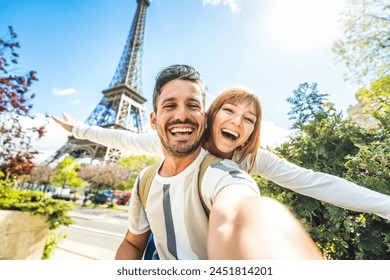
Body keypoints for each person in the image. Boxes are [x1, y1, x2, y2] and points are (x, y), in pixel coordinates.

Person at [55, 64, 323, 260]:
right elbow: (132, 243)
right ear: (152, 120)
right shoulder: (145, 181)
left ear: (205, 118)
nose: (181, 115)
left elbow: (240, 208)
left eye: (192, 105)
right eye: (170, 105)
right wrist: (79, 130)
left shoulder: (223, 173)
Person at [53, 88, 390, 221]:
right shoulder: (181, 140)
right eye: (229, 111)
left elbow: (317, 183)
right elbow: (124, 139)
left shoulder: (252, 158)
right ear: (212, 115)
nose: (237, 122)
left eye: (249, 119)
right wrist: (79, 130)